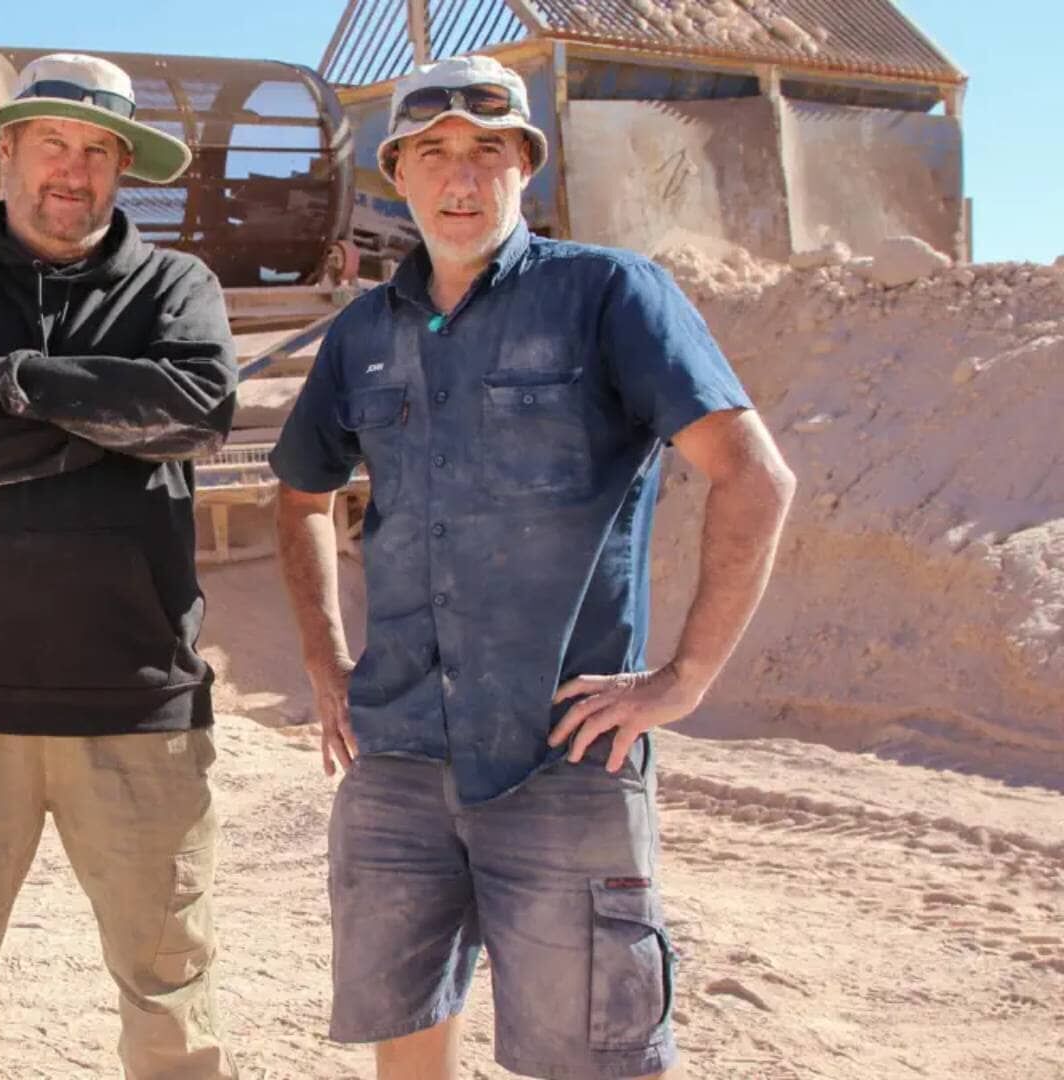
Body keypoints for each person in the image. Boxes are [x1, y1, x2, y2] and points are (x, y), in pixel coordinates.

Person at [269, 55, 797, 1080]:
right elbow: (299, 496)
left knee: (591, 1055)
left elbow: (754, 476)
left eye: (487, 150)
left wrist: (683, 679)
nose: (461, 178)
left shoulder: (608, 295)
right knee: (405, 1024)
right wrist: (326, 663)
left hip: (563, 752)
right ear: (398, 173)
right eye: (433, 154)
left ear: (526, 164)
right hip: (398, 753)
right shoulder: (363, 334)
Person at [0, 52, 242, 1080]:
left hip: (137, 702)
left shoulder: (175, 285)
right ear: (6, 153)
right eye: (51, 144)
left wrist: (19, 380)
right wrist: (112, 423)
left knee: (171, 993)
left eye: (97, 150)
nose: (72, 171)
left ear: (122, 167)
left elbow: (198, 411)